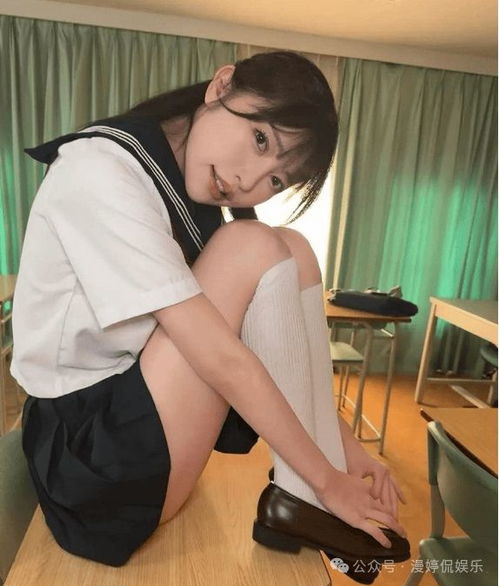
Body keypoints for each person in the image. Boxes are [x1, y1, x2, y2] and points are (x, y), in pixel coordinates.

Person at [11, 51, 409, 582]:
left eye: (276, 181)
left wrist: (346, 451)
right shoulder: (99, 167)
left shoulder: (188, 188)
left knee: (292, 247)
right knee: (253, 242)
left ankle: (296, 498)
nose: (249, 181)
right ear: (222, 85)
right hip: (90, 466)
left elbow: (270, 353)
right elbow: (222, 357)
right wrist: (329, 481)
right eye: (261, 140)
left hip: (136, 431)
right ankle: (304, 494)